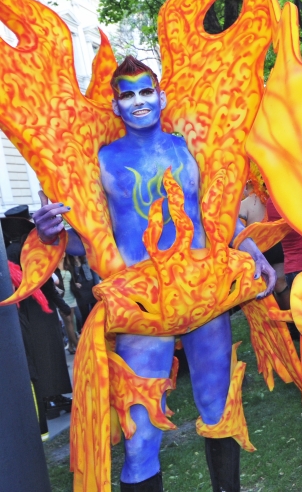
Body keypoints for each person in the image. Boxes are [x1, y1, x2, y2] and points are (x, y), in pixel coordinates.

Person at [34, 56, 276, 492]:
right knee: (140, 431)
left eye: (146, 91)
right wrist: (50, 234)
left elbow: (212, 216)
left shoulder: (187, 148)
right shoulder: (101, 162)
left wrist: (250, 244)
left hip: (204, 293)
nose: (139, 101)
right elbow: (89, 238)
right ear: (115, 106)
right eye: (128, 95)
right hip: (142, 302)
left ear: (161, 96)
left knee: (219, 409)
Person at [2, 207, 74, 424]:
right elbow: (42, 281)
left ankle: (49, 399)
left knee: (40, 356)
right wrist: (62, 304)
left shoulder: (9, 250)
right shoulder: (26, 249)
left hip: (26, 313)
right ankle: (52, 399)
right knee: (48, 355)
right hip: (40, 311)